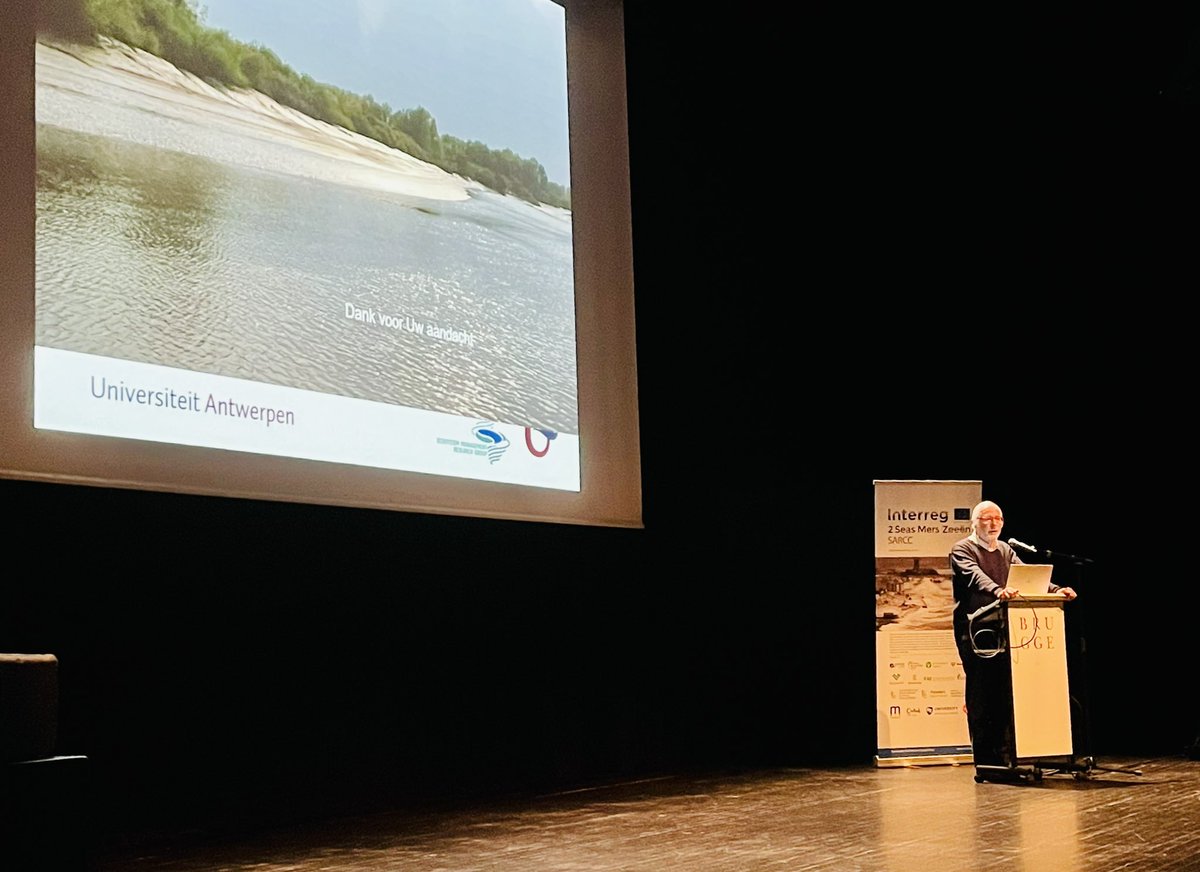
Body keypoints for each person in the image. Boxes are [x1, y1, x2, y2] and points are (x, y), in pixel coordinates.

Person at [950, 500, 1077, 769]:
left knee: (1004, 693)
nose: (993, 523)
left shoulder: (1006, 550)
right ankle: (985, 760)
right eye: (987, 518)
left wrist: (1055, 590)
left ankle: (1007, 756)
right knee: (982, 695)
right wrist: (999, 591)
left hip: (1005, 629)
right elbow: (974, 577)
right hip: (975, 632)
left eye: (998, 519)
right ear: (974, 523)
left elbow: (1025, 576)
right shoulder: (962, 549)